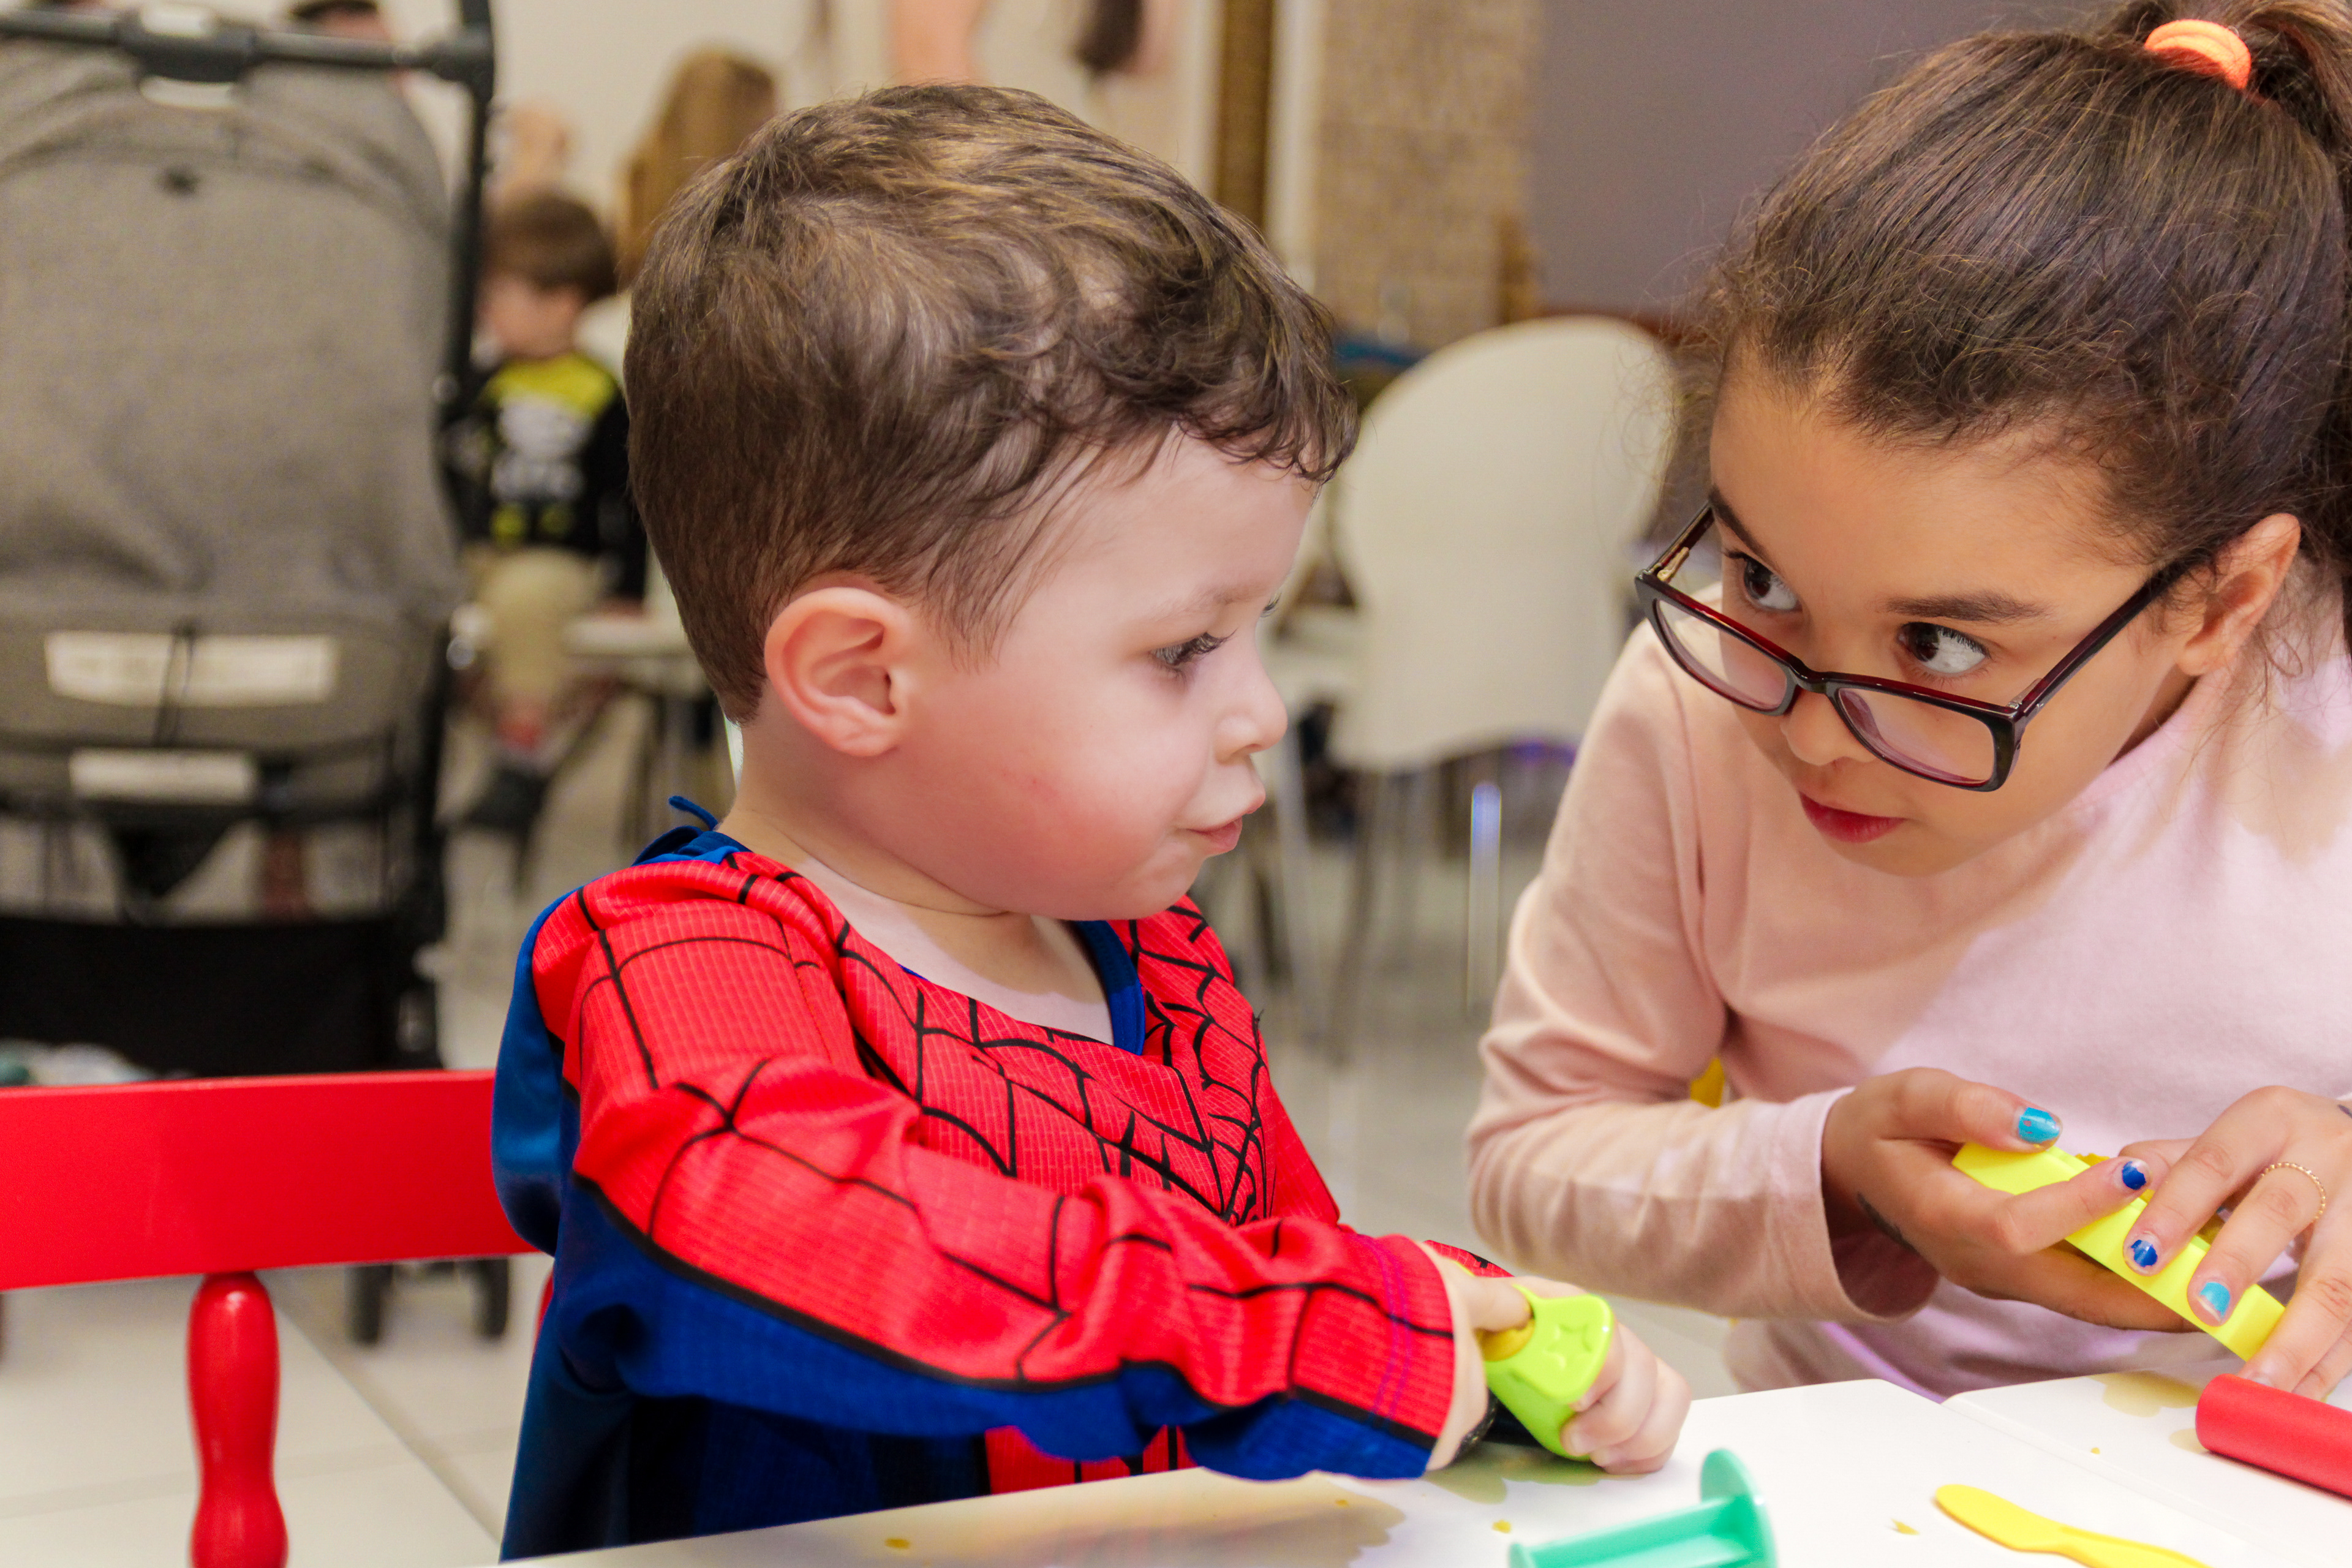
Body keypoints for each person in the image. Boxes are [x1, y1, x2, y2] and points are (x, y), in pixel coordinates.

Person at [491, 86, 1689, 1555]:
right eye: (1185, 649)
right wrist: (1324, 1337)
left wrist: (1473, 1334)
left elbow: (1282, 1275)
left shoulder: (1159, 965)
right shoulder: (668, 961)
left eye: (1259, 630)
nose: (1258, 709)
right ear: (864, 675)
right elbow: (796, 1221)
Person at [1468, 2, 2352, 1407]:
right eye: (1759, 571)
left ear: (2220, 601)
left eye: (1937, 649)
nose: (1812, 729)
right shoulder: (1702, 704)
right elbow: (1532, 1156)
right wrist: (1827, 1170)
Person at [443, 190, 644, 833]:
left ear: (562, 303)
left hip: (559, 560)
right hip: (478, 554)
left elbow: (633, 495)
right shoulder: (478, 382)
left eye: (505, 293)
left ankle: (521, 754)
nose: (487, 309)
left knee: (529, 599)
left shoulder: (600, 390)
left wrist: (629, 589)